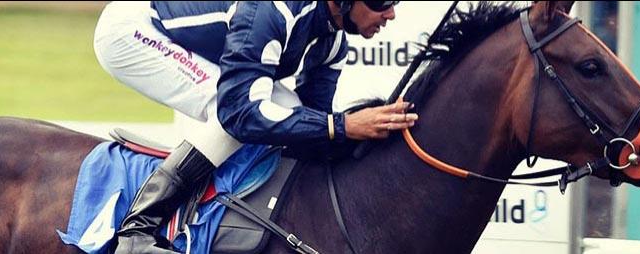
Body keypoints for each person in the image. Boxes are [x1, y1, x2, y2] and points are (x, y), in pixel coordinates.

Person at [92, 1, 410, 253]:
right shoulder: (275, 10)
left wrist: (366, 130)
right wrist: (343, 126)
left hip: (170, 36)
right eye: (381, 1)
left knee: (290, 110)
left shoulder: (333, 44)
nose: (391, 13)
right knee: (227, 107)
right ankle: (138, 230)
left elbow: (315, 128)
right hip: (130, 31)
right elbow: (240, 113)